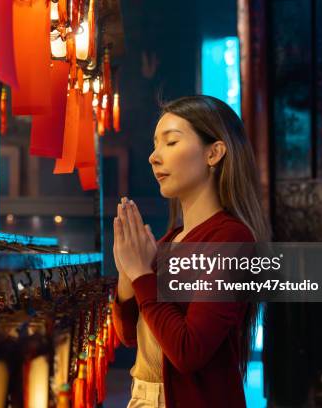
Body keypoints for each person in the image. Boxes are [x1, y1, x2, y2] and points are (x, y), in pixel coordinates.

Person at [112, 95, 271, 408]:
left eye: (171, 142)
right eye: (155, 144)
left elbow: (188, 351)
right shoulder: (171, 240)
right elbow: (131, 335)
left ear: (214, 153)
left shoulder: (231, 239)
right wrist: (127, 271)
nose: (154, 157)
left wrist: (143, 273)